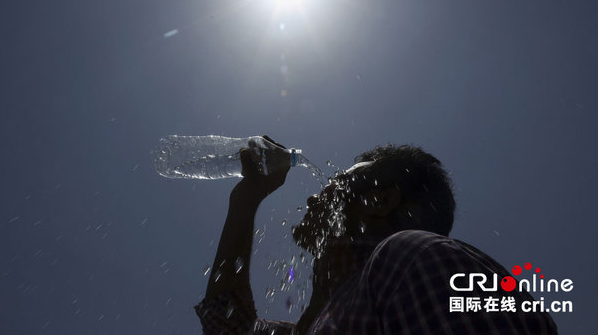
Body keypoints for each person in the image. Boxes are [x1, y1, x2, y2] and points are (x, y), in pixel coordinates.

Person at [195, 137, 558, 334]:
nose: (313, 196)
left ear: (382, 201)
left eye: (338, 184)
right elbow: (227, 324)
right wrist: (245, 199)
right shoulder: (324, 319)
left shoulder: (413, 260)